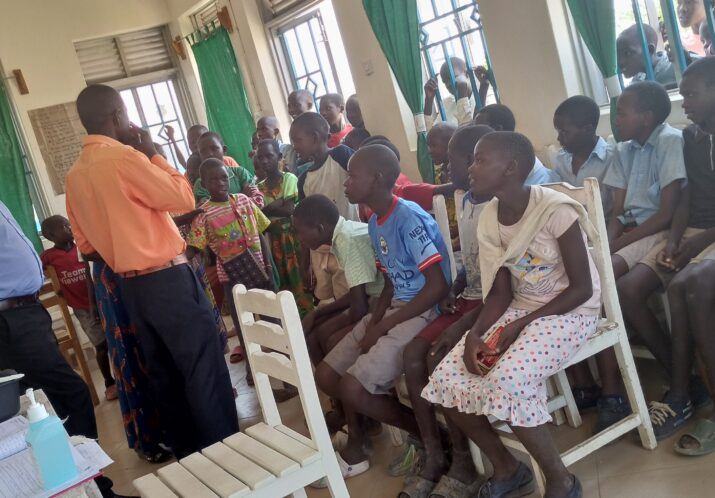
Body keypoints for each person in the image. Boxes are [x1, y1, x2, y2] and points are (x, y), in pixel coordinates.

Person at [424, 131, 601, 498]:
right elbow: (501, 291)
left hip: (571, 311)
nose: (471, 168)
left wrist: (521, 324)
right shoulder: (490, 217)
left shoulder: (555, 210)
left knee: (508, 381)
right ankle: (506, 467)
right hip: (521, 307)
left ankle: (561, 480)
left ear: (510, 168)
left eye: (480, 160)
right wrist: (475, 333)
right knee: (446, 377)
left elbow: (582, 289)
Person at [65, 84, 238, 457]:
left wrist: (124, 243)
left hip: (131, 290)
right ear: (118, 116)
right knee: (202, 368)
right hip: (168, 279)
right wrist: (154, 153)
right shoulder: (126, 158)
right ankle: (226, 457)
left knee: (165, 375)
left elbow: (88, 248)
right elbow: (183, 198)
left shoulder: (75, 177)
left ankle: (191, 459)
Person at [314, 144, 451, 483]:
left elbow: (437, 286)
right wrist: (374, 322)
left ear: (376, 179)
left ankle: (432, 438)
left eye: (352, 176)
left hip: (424, 309)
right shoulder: (375, 221)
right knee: (327, 375)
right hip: (394, 307)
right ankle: (421, 432)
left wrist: (384, 325)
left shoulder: (408, 218)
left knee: (353, 387)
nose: (346, 183)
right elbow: (390, 280)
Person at [576, 81, 687, 433]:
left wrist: (618, 245)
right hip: (634, 230)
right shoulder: (623, 150)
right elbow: (619, 212)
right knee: (595, 271)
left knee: (612, 282)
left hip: (660, 229)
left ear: (646, 117)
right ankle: (616, 386)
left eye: (622, 112)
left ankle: (676, 377)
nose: (616, 119)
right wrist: (606, 242)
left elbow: (666, 214)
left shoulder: (669, 141)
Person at [615, 57, 715, 443]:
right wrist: (674, 241)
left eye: (691, 94)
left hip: (707, 235)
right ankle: (684, 390)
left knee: (689, 285)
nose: (683, 102)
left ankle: (686, 394)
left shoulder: (677, 139)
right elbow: (686, 199)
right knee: (640, 288)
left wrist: (695, 243)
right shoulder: (691, 138)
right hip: (690, 230)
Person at [397, 125, 493, 496]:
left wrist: (462, 324)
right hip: (468, 297)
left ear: (472, 162)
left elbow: (504, 284)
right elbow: (472, 263)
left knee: (437, 357)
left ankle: (464, 463)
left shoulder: (498, 207)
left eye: (452, 160)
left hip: (492, 305)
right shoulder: (466, 202)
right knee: (412, 355)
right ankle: (436, 453)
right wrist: (454, 287)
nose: (447, 168)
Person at [293, 195, 384, 364]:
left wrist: (334, 323)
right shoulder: (342, 234)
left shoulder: (348, 241)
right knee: (314, 334)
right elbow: (357, 294)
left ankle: (335, 375)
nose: (300, 238)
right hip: (372, 295)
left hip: (385, 299)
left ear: (320, 228)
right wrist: (317, 314)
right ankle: (328, 377)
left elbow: (359, 307)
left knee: (330, 339)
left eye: (301, 232)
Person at [39, 215, 116, 400]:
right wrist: (57, 288)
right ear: (50, 236)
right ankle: (109, 382)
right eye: (65, 226)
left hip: (100, 300)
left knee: (114, 338)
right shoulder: (48, 257)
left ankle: (122, 377)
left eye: (69, 224)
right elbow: (36, 272)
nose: (70, 228)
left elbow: (93, 272)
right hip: (82, 308)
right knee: (101, 345)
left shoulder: (82, 248)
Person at [254, 139, 313, 316]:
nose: (264, 161)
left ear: (279, 156)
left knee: (298, 274)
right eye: (260, 157)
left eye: (269, 156)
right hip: (272, 241)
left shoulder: (289, 178)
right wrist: (275, 205)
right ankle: (290, 317)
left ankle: (308, 316)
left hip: (291, 238)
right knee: (281, 278)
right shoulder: (258, 187)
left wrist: (267, 209)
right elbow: (258, 217)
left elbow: (289, 210)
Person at [552, 95, 615, 217]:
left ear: (588, 130)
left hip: (604, 225)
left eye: (564, 132)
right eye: (558, 132)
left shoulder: (611, 159)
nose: (558, 138)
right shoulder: (561, 160)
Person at [474, 103, 561, 184]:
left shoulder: (533, 174)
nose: (476, 133)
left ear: (498, 129)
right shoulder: (499, 159)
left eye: (479, 128)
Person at [193, 131, 263, 206]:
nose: (209, 154)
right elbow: (208, 208)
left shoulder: (240, 173)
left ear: (224, 150)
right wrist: (242, 196)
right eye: (203, 151)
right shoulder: (201, 183)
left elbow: (257, 201)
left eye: (214, 149)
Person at [427, 122, 459, 245]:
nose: (429, 151)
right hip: (444, 234)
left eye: (434, 145)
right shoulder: (437, 173)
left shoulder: (464, 176)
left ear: (451, 144)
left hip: (460, 238)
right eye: (428, 146)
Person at [617, 24, 676, 88]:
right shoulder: (637, 79)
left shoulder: (673, 69)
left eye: (627, 53)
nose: (621, 62)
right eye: (618, 55)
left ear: (649, 50)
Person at [424, 57, 475, 130]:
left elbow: (469, 130)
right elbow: (432, 133)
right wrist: (428, 101)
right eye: (445, 82)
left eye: (453, 77)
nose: (449, 84)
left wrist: (462, 89)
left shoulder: (480, 99)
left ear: (466, 74)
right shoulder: (447, 103)